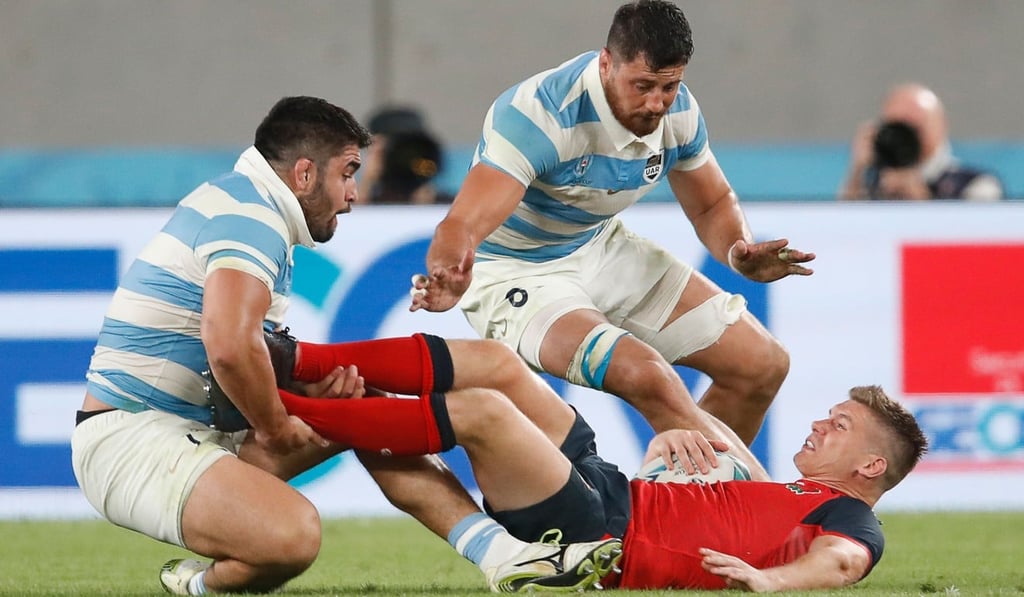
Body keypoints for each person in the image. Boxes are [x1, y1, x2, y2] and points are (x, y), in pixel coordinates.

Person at [70, 96, 616, 596]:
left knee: (362, 404)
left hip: (193, 430)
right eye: (348, 173)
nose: (355, 194)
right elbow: (231, 349)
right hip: (132, 439)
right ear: (304, 173)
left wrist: (306, 386)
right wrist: (275, 426)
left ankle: (501, 556)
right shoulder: (250, 217)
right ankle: (196, 587)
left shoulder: (247, 206)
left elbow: (244, 353)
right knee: (291, 536)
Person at [409, 0, 815, 455]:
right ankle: (737, 500)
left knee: (761, 365)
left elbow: (712, 204)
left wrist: (738, 250)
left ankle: (678, 509)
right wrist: (448, 269)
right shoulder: (539, 115)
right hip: (514, 271)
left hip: (600, 246)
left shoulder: (678, 111)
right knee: (645, 373)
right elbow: (462, 222)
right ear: (606, 63)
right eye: (642, 85)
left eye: (670, 86)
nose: (657, 102)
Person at [249, 333, 928, 591]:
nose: (818, 421)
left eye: (838, 425)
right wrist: (667, 455)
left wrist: (771, 583)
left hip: (599, 540)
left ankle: (275, 405)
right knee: (498, 365)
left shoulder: (847, 517)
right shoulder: (786, 488)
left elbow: (843, 562)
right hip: (608, 487)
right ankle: (296, 357)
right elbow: (706, 485)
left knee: (485, 411)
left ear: (870, 467)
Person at [839, 82, 1004, 201]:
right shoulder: (871, 184)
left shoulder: (976, 185)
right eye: (897, 127)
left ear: (941, 125)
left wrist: (920, 199)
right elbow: (842, 232)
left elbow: (975, 238)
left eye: (915, 127)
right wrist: (857, 172)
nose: (905, 136)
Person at [357, 106, 451, 205]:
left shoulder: (449, 206)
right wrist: (366, 184)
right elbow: (348, 217)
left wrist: (424, 185)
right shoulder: (363, 201)